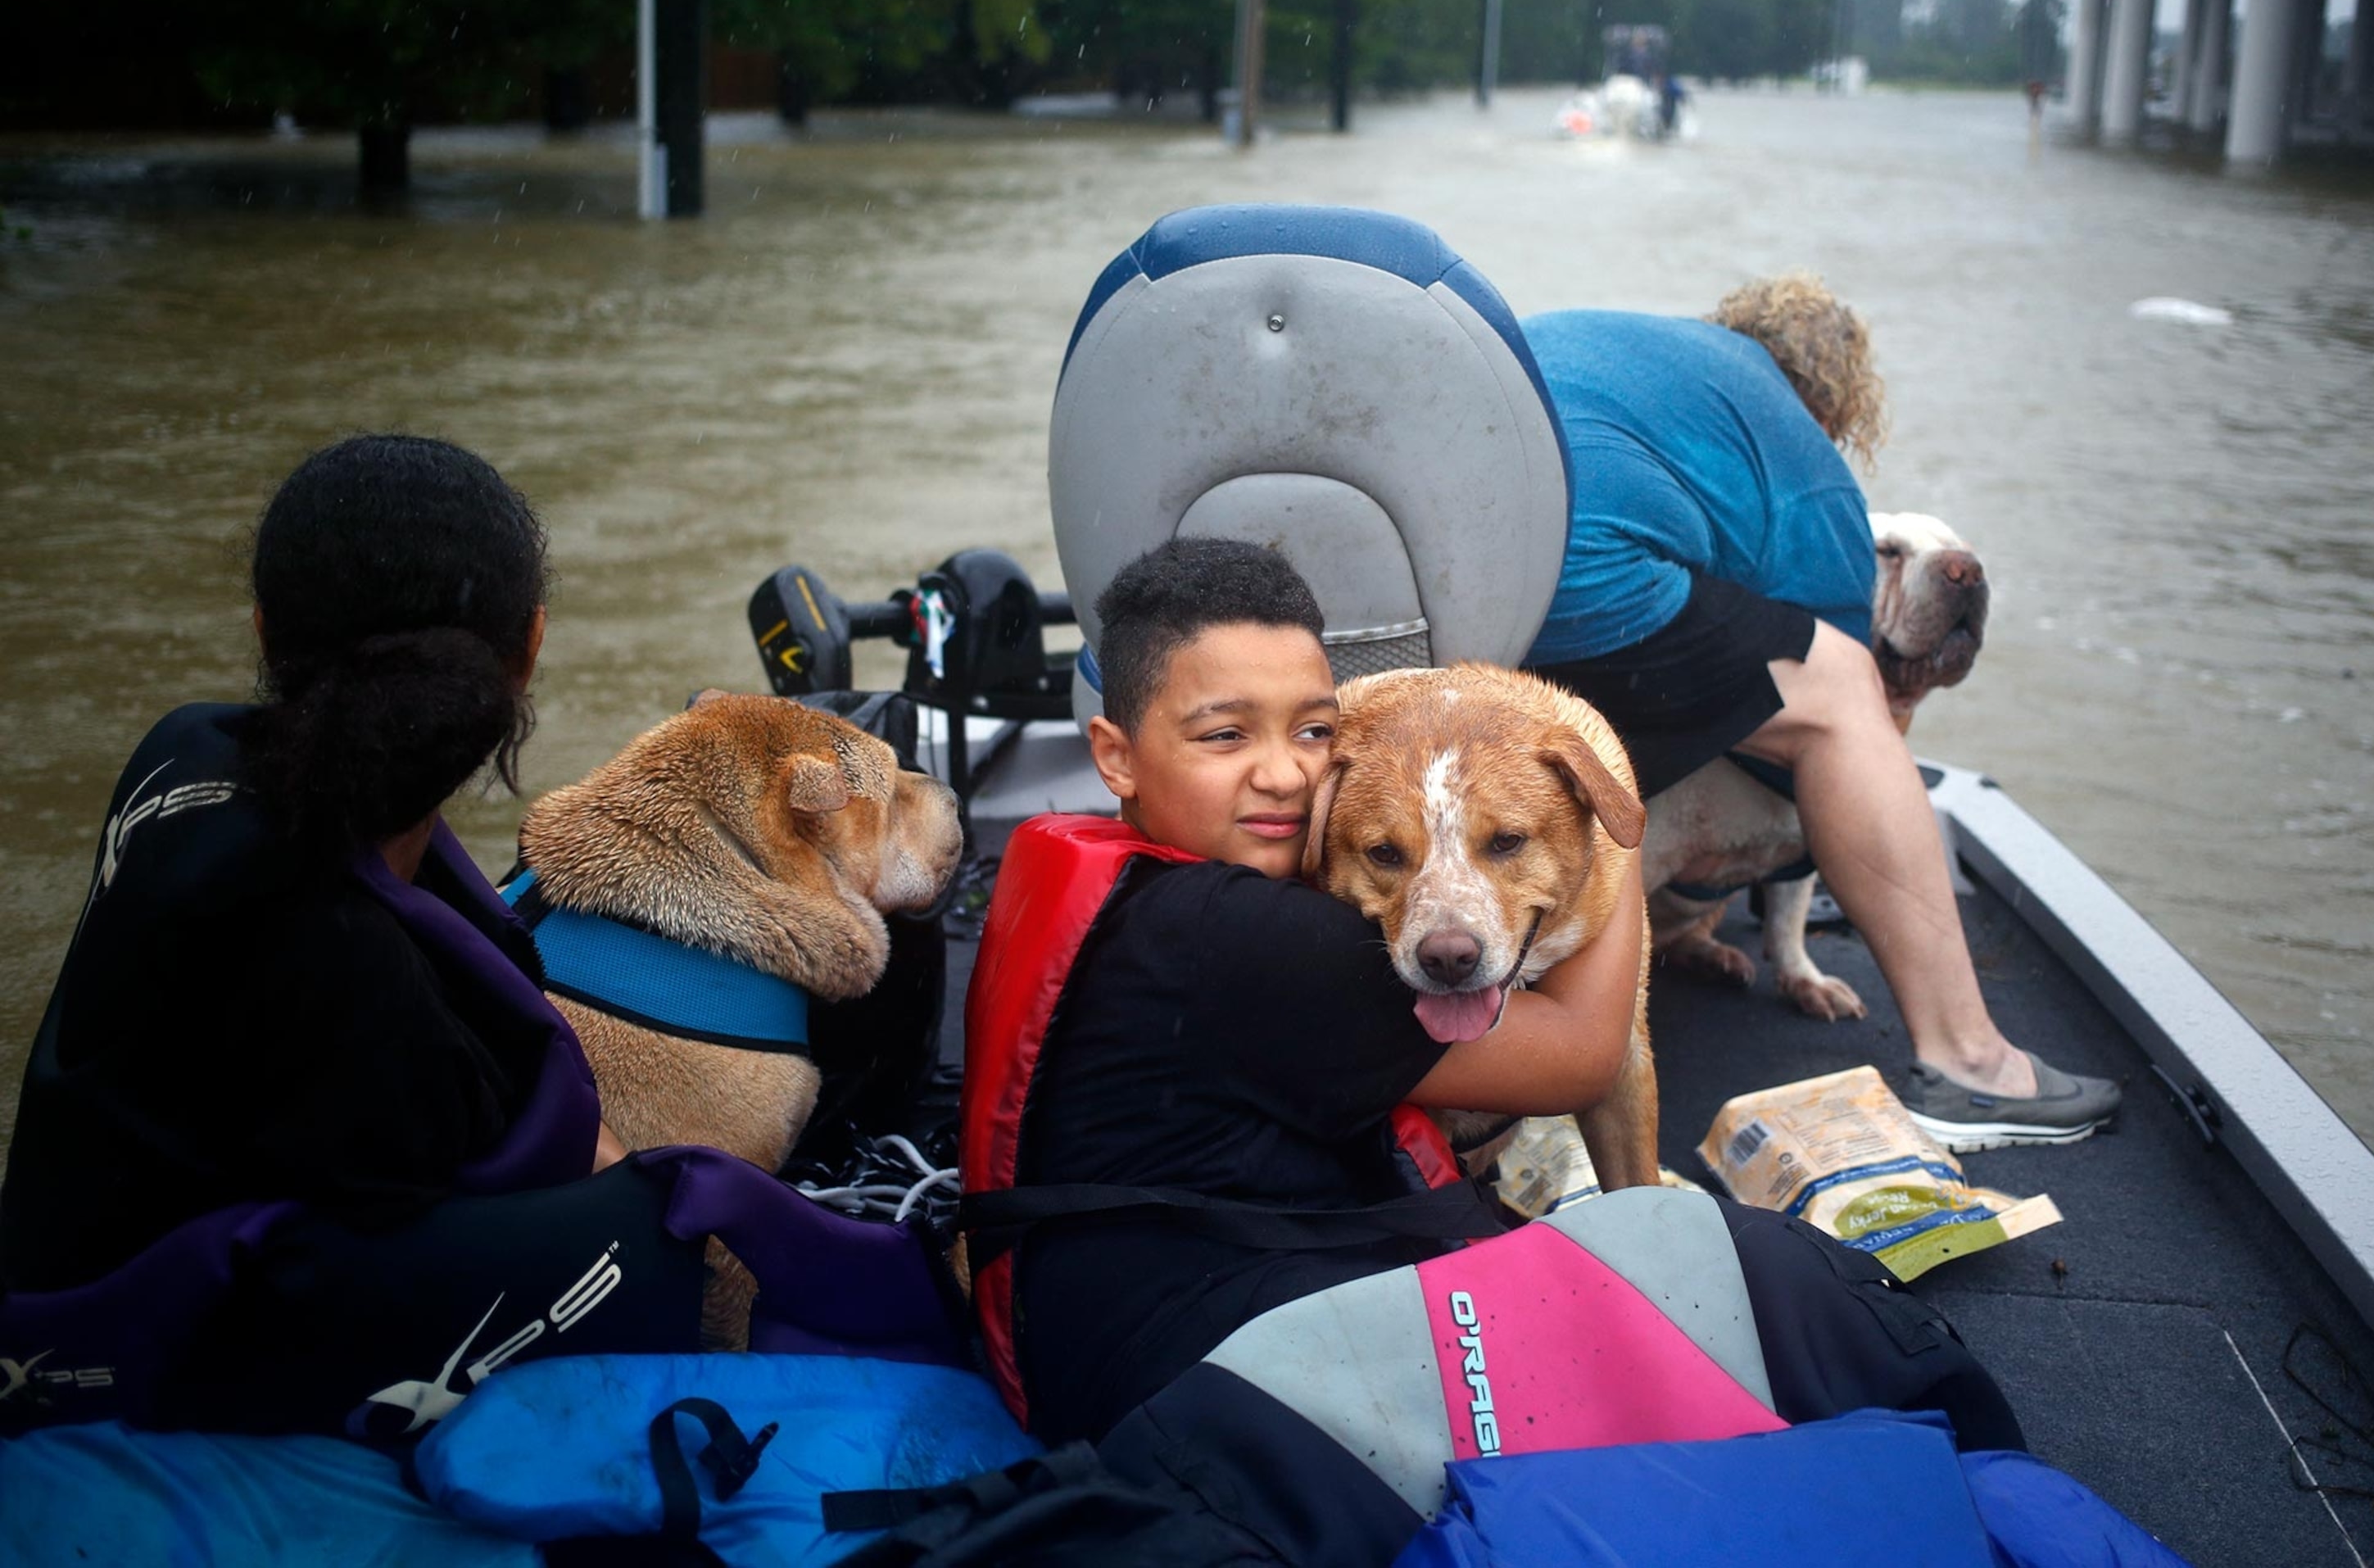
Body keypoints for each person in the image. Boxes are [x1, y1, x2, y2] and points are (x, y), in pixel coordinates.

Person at [968, 537, 2026, 1463]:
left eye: (1310, 731)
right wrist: (1607, 812)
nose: (1287, 778)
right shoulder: (1251, 944)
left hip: (1117, 1324)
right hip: (1202, 1384)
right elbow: (1581, 1059)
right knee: (1783, 1279)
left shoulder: (1137, 885)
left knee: (1725, 1269)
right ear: (1114, 755)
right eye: (1222, 735)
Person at [0, 435, 958, 1436]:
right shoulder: (374, 1005)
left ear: (264, 629)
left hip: (61, 1250)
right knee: (651, 1229)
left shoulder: (180, 752)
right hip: (133, 1350)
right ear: (530, 647)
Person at [1520, 278, 2120, 1144]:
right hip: (1585, 577)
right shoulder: (1799, 451)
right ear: (1834, 405)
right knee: (1838, 689)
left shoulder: (1645, 361)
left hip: (1458, 559)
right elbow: (1834, 697)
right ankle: (1971, 1065)